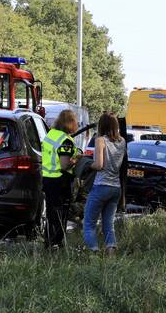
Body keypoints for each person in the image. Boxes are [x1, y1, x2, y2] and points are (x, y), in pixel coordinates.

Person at [84, 113, 126, 254]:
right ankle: (111, 256)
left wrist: (87, 164)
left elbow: (99, 165)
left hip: (101, 186)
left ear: (102, 125)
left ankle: (94, 254)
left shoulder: (100, 140)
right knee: (109, 224)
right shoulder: (122, 141)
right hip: (116, 188)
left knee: (89, 224)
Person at [42, 109, 78, 249]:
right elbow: (64, 165)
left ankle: (49, 241)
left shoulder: (51, 134)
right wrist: (76, 160)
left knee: (51, 213)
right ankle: (56, 243)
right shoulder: (65, 141)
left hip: (48, 178)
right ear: (70, 123)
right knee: (60, 213)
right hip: (60, 180)